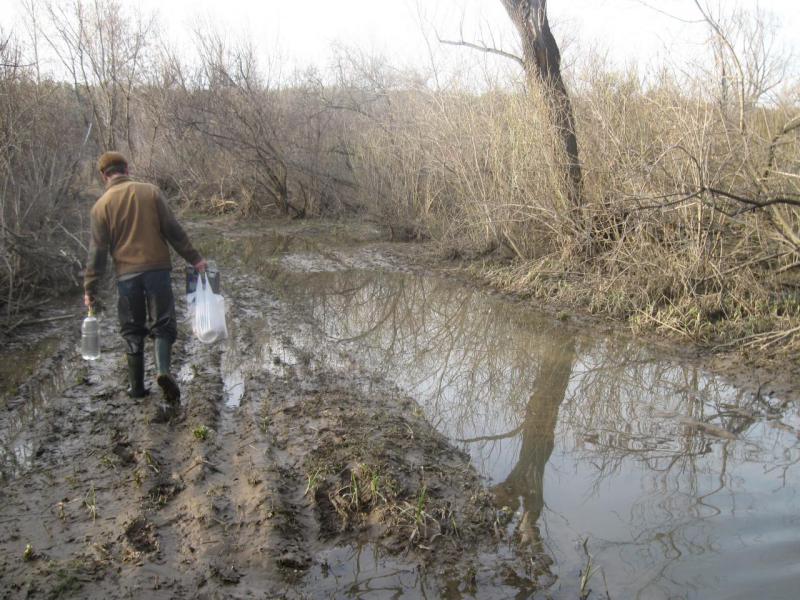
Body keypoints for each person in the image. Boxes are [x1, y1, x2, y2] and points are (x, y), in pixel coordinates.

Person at [83, 151, 207, 408]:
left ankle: (137, 388)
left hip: (126, 276)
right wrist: (195, 259)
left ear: (104, 175)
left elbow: (97, 253)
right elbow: (173, 230)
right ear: (127, 168)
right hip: (157, 270)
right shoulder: (150, 192)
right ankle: (163, 370)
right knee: (163, 323)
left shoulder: (100, 207)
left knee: (132, 329)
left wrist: (90, 288)